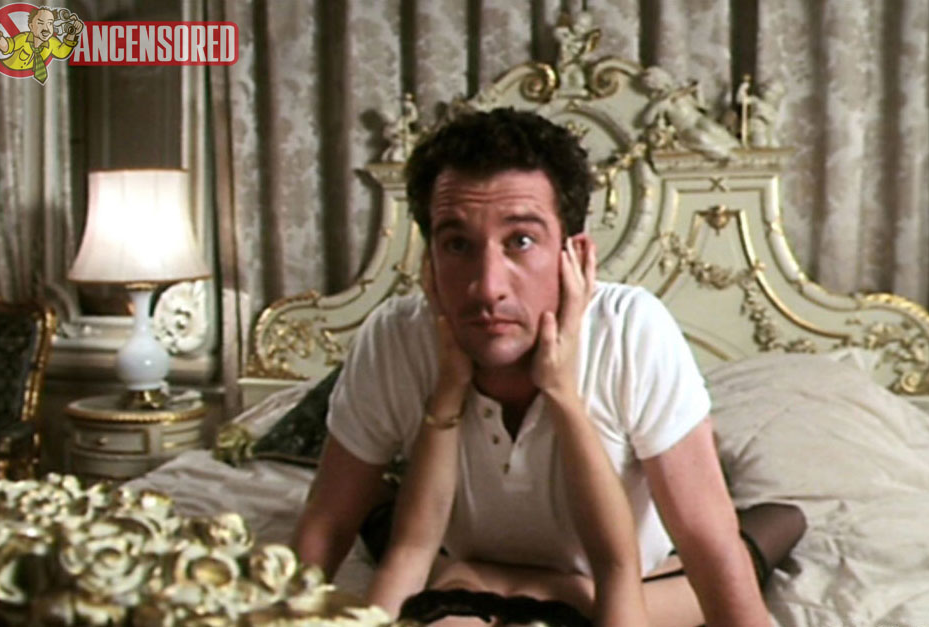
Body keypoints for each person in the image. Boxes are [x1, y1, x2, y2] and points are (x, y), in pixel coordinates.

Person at [295, 108, 781, 626]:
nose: (487, 288)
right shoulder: (395, 336)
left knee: (771, 529)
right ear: (429, 260)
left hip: (624, 572)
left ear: (575, 255)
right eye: (457, 245)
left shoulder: (630, 329)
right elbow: (329, 522)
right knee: (393, 530)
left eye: (521, 241)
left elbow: (707, 542)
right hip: (465, 561)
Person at [0, 7, 83, 84]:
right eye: (40, 23)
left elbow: (62, 52)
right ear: (31, 26)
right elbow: (6, 47)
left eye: (50, 24)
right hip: (5, 75)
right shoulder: (24, 38)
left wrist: (72, 33)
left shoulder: (51, 42)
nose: (46, 28)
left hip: (27, 83)